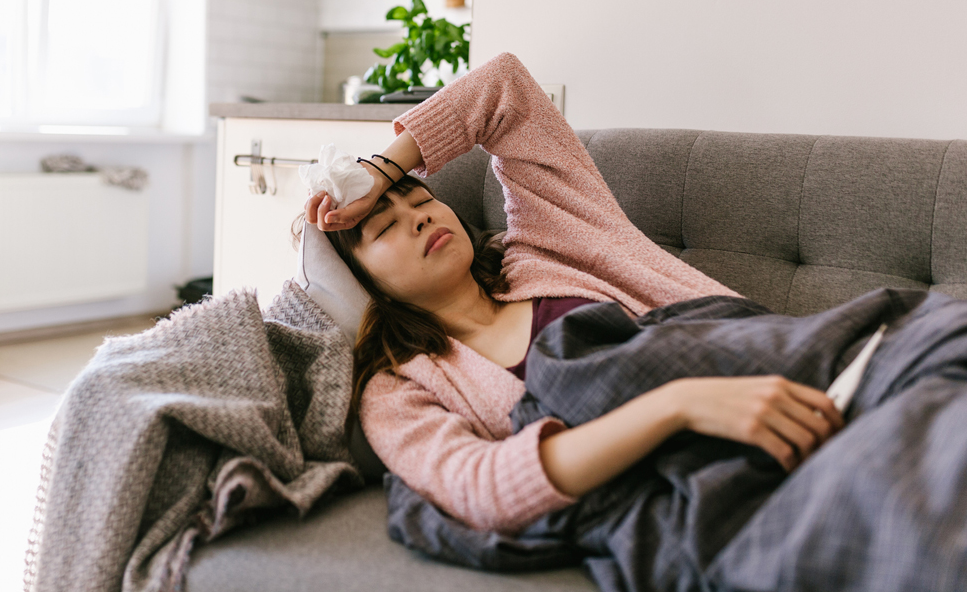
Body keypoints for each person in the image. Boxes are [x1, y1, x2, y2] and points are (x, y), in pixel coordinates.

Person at [301, 52, 842, 535]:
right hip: (705, 471)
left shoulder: (548, 244)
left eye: (417, 199)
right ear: (363, 282)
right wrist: (678, 406)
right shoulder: (399, 389)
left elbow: (503, 86)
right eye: (384, 227)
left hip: (776, 362)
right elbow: (481, 486)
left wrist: (381, 169)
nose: (418, 218)